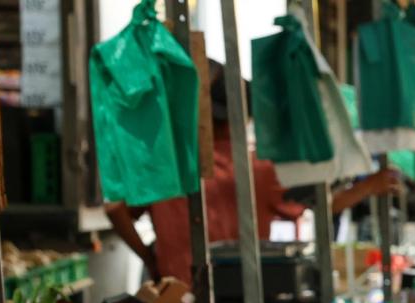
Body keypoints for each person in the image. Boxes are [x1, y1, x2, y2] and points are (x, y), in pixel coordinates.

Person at [106, 61, 399, 288]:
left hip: (173, 293)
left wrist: (150, 258)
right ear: (239, 117)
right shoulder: (257, 168)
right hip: (235, 293)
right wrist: (369, 186)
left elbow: (115, 209)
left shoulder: (167, 164)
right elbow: (323, 207)